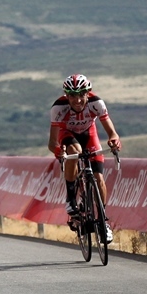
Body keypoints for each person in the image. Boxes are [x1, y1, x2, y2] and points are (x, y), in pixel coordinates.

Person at [47, 74, 122, 244]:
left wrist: (114, 140)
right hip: (67, 135)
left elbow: (112, 133)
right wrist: (58, 150)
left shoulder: (97, 103)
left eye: (81, 94)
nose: (78, 100)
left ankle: (103, 221)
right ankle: (71, 198)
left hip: (89, 135)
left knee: (98, 178)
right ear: (67, 96)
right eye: (73, 96)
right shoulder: (59, 107)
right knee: (75, 150)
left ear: (88, 93)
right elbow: (52, 142)